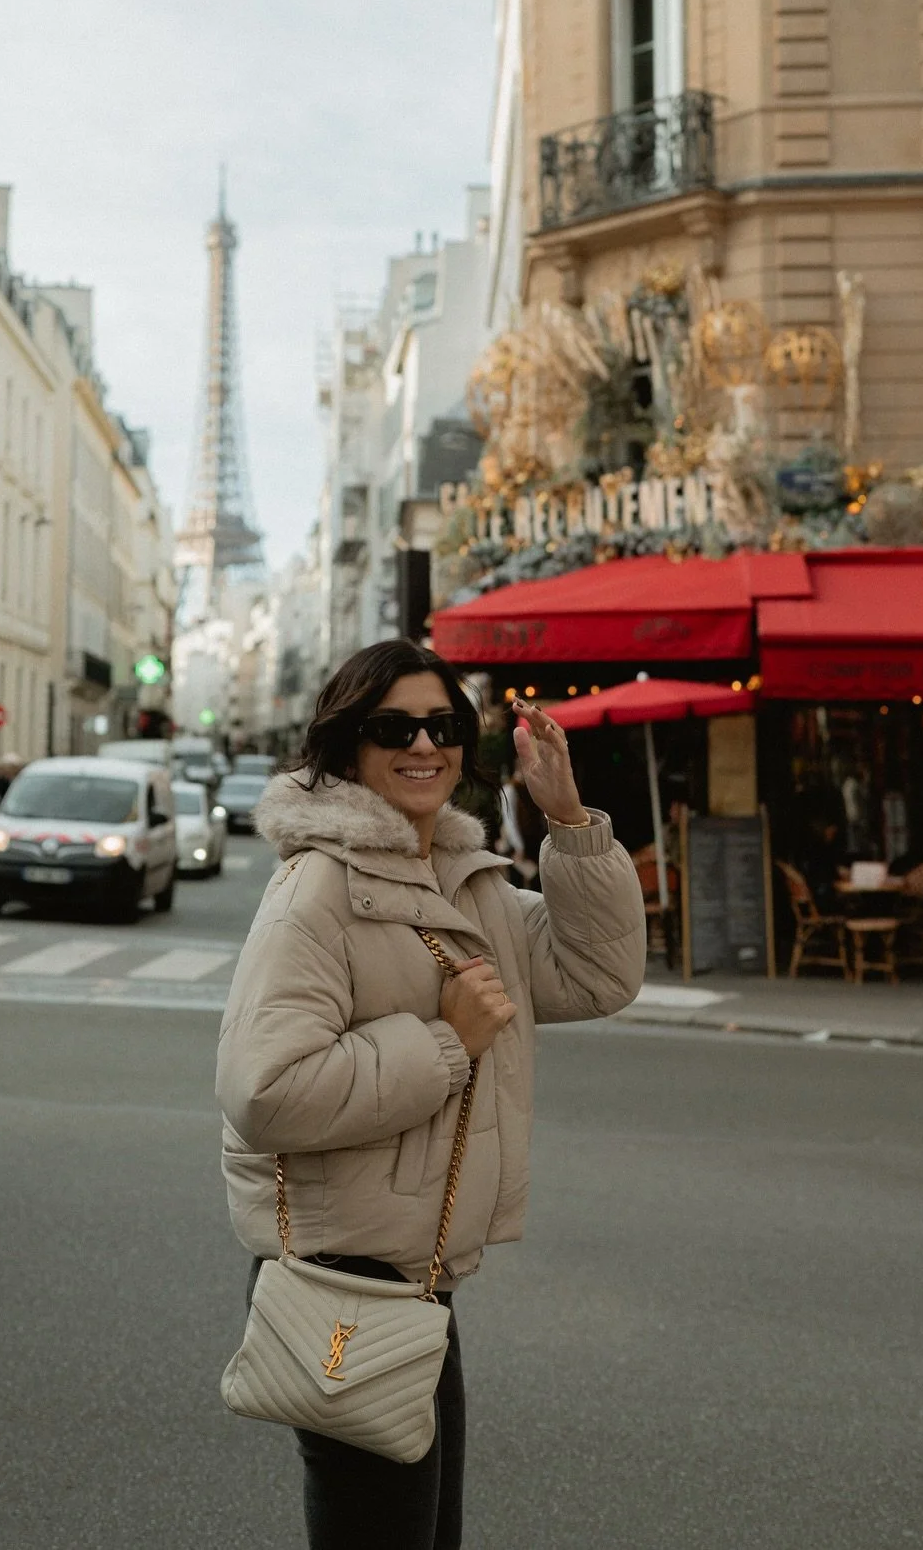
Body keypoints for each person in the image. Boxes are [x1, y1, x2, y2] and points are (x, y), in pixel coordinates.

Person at [216, 639, 646, 1549]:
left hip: (417, 1278)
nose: (424, 744)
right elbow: (265, 1090)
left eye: (443, 725)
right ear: (346, 748)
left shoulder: (461, 881)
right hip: (343, 1273)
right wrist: (447, 1041)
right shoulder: (318, 888)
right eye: (394, 726)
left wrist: (568, 820)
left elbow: (598, 974)